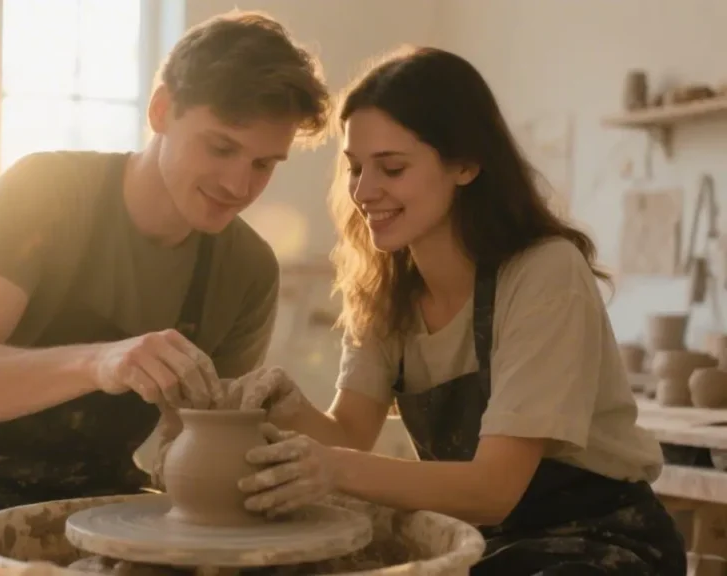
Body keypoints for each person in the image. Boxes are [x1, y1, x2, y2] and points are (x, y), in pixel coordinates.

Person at [200, 46, 687, 575]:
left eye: (392, 167)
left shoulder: (544, 273)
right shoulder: (387, 290)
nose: (364, 191)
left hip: (601, 541)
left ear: (466, 164)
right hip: (482, 542)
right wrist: (288, 406)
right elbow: (350, 434)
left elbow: (494, 490)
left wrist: (333, 469)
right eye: (355, 168)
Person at [0, 10, 331, 576]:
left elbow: (197, 445)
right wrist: (100, 362)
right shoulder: (47, 191)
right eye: (220, 148)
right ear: (161, 110)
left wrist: (274, 457)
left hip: (105, 497)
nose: (239, 185)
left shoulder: (248, 269)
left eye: (263, 164)